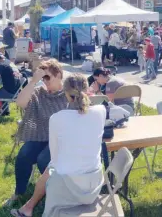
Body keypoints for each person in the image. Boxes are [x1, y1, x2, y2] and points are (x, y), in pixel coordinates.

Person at [10, 74, 106, 217]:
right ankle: (28, 207)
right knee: (54, 167)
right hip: (94, 181)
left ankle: (28, 207)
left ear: (66, 94)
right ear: (87, 90)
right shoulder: (101, 111)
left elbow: (55, 158)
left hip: (67, 185)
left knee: (51, 168)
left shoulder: (58, 118)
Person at [5, 59, 68, 209]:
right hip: (41, 136)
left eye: (48, 78)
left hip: (61, 140)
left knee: (42, 160)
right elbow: (20, 103)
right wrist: (33, 81)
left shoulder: (68, 92)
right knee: (23, 155)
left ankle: (55, 194)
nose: (45, 82)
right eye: (43, 78)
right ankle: (19, 192)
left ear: (58, 74)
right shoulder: (40, 93)